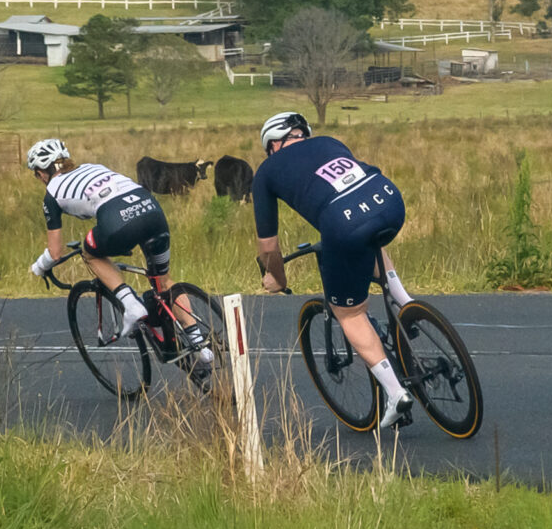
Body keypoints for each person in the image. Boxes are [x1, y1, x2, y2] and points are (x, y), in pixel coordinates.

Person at [249, 111, 417, 431]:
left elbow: (268, 247)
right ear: (303, 134)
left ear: (271, 144)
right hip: (389, 198)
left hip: (342, 223)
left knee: (350, 313)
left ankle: (396, 394)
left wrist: (278, 279)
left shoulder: (267, 172)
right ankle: (405, 302)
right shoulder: (328, 141)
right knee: (371, 237)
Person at [25, 138, 211, 382]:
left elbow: (55, 252)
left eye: (37, 175)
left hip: (117, 220)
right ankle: (199, 342)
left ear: (41, 172)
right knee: (164, 281)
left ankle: (130, 305)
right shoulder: (94, 166)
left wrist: (39, 267)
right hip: (152, 210)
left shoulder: (51, 194)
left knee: (89, 251)